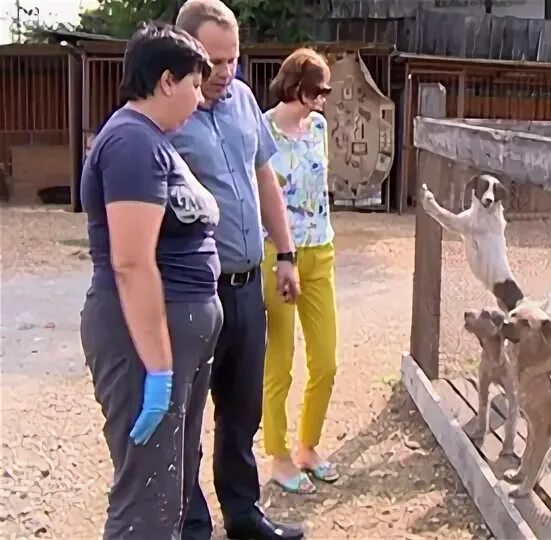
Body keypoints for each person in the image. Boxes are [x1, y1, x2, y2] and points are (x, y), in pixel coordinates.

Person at [79, 22, 222, 539]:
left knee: (171, 490)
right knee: (147, 498)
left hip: (180, 330)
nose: (199, 98)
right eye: (194, 85)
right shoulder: (132, 143)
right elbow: (132, 261)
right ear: (166, 81)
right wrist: (158, 369)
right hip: (144, 338)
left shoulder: (155, 141)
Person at [170, 1, 304, 539]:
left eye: (234, 60)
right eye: (215, 61)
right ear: (188, 54)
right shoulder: (168, 117)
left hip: (248, 286)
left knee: (242, 411)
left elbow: (264, 178)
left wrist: (287, 253)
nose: (226, 72)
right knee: (185, 419)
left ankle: (244, 515)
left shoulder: (244, 101)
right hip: (195, 292)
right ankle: (192, 525)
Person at [260, 48, 339, 495]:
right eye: (320, 89)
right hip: (276, 256)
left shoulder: (320, 127)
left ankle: (309, 445)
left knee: (326, 359)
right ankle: (279, 455)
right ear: (298, 87)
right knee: (280, 360)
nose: (326, 98)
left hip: (320, 250)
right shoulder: (263, 129)